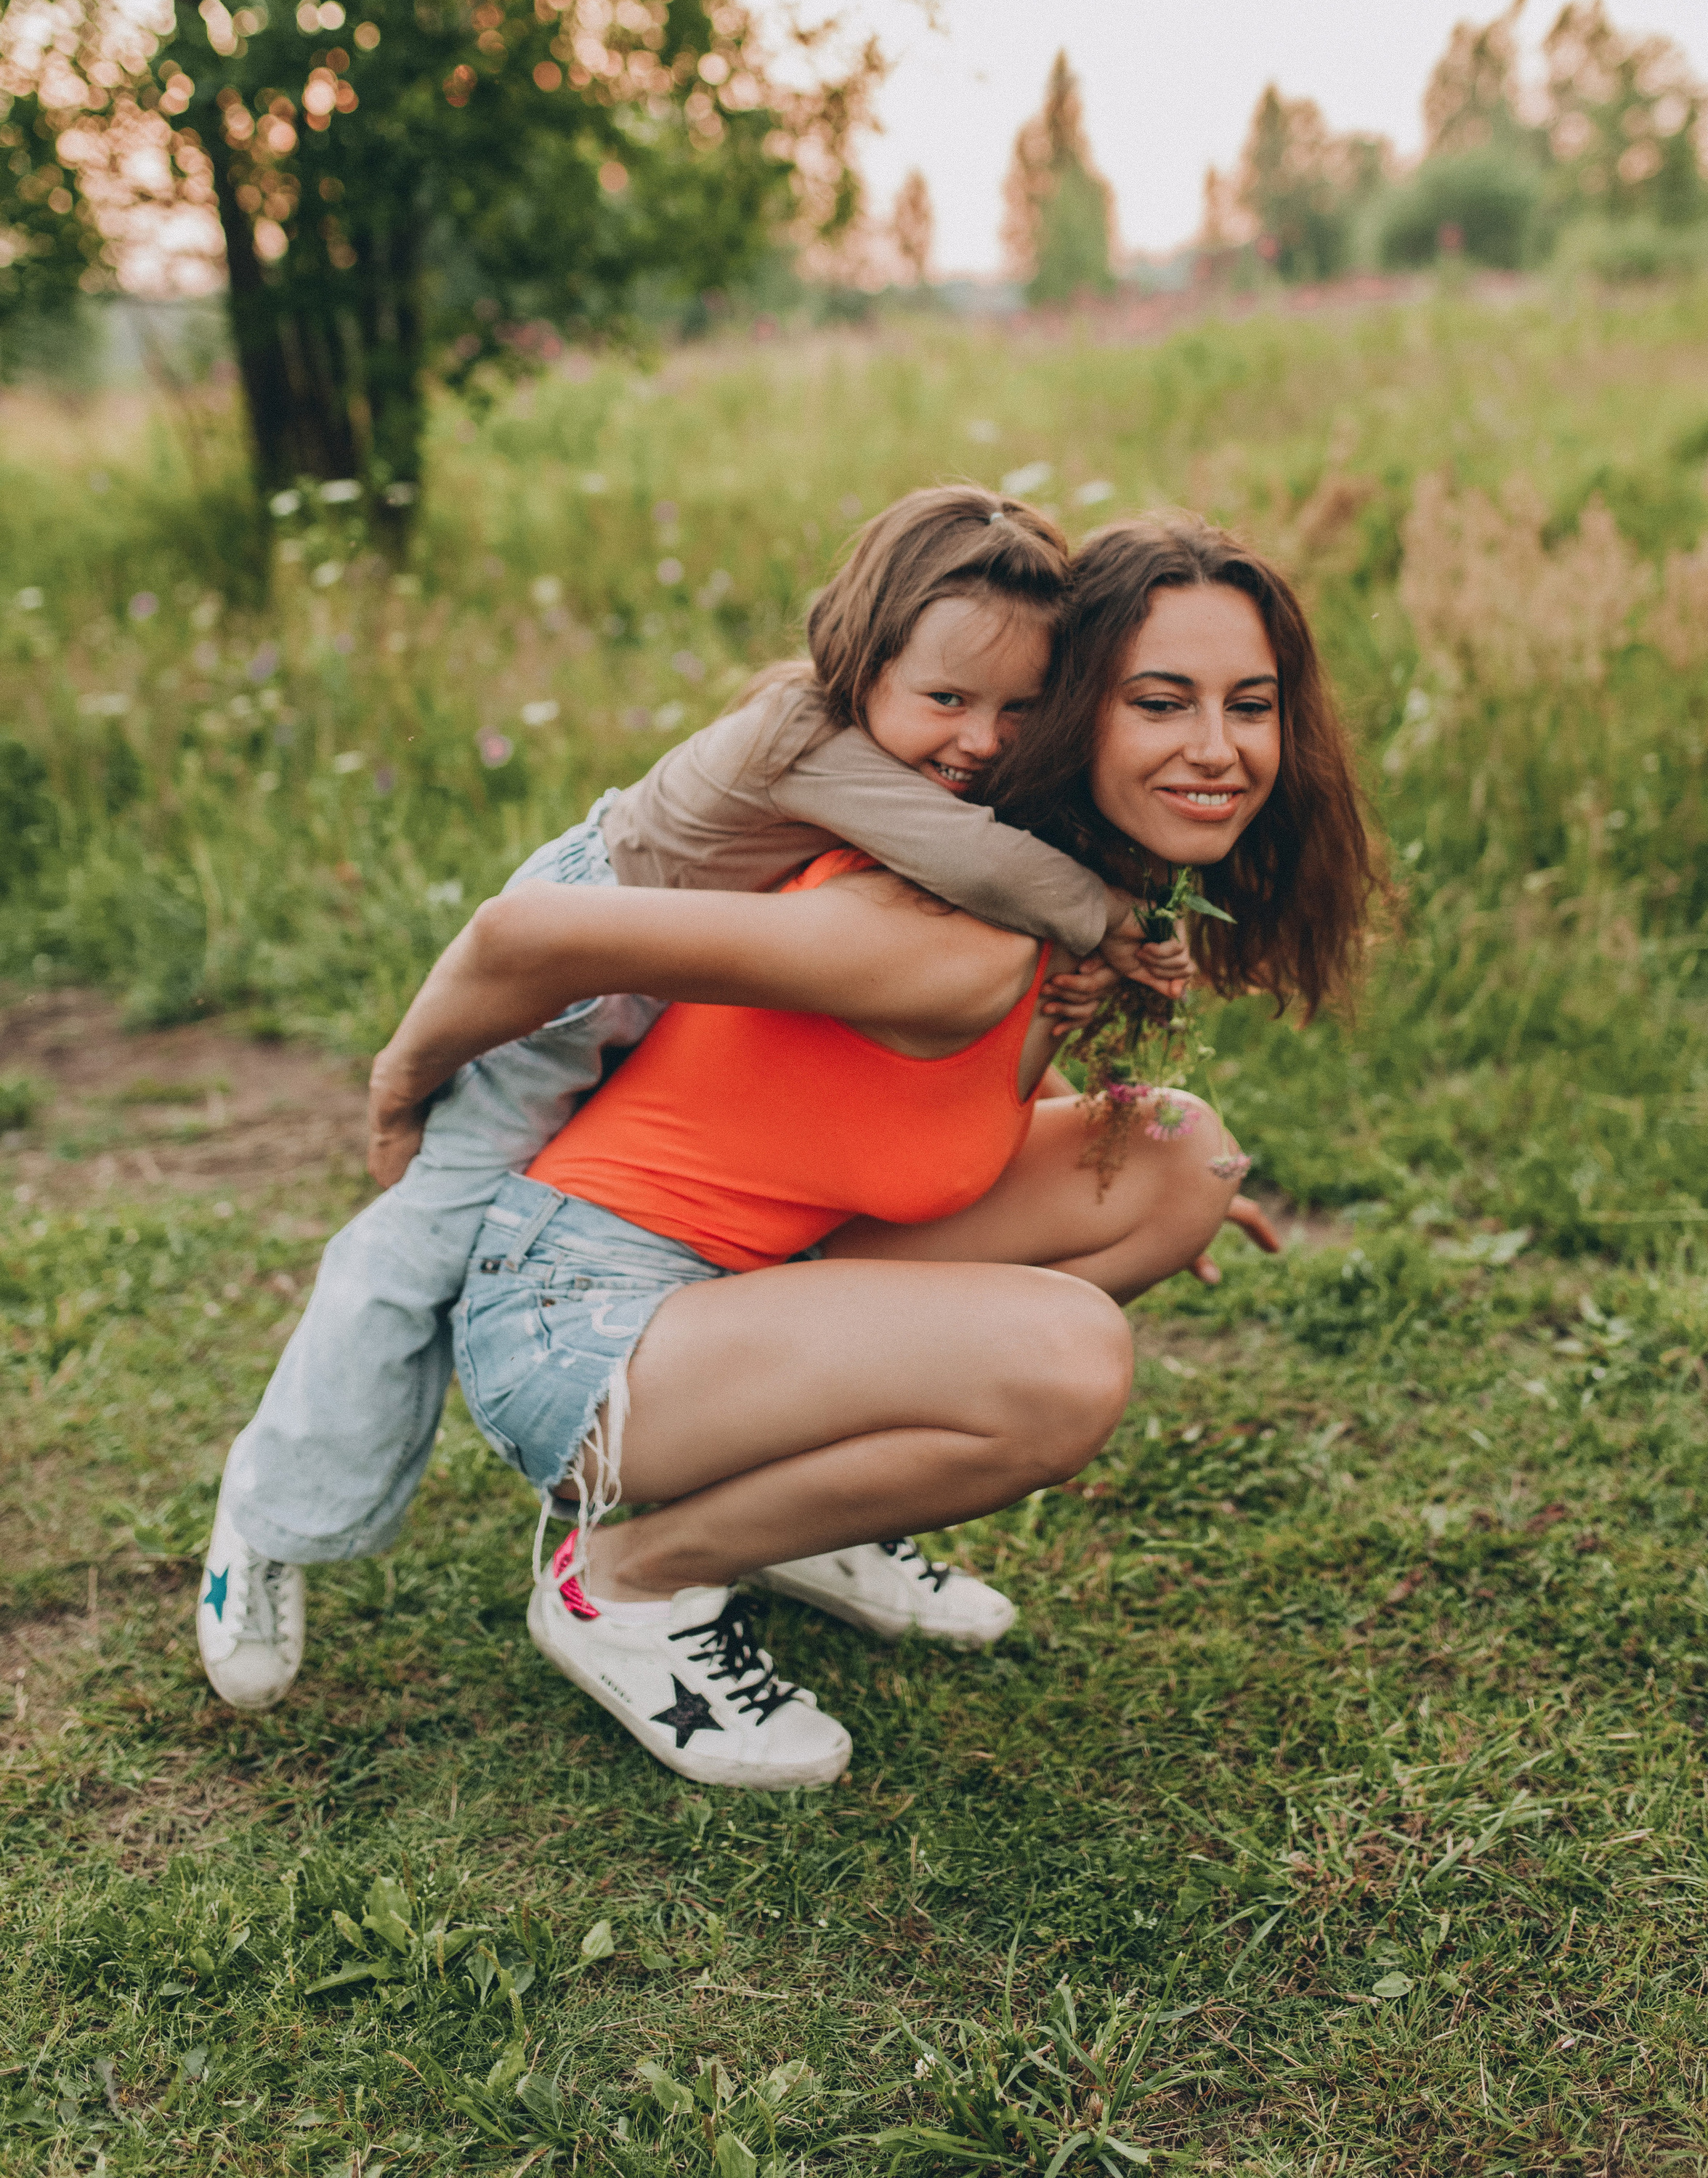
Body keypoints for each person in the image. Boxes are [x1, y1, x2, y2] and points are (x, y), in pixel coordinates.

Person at [351, 514, 1377, 1789]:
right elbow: (528, 938)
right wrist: (400, 1088)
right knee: (1062, 1359)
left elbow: (910, 1110)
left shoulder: (1026, 891)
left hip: (730, 1279)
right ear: (1068, 710)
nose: (1217, 750)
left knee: (1172, 1153)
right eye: (1161, 703)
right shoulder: (937, 929)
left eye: (1252, 705)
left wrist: (1114, 1128)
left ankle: (809, 1500)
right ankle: (626, 1579)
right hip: (578, 1337)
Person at [198, 487, 1191, 1709]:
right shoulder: (801, 732)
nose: (983, 740)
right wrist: (403, 1079)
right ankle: (266, 1524)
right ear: (858, 657)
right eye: (948, 700)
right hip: (578, 976)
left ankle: (802, 1471)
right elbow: (978, 862)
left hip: (657, 979)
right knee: (414, 1247)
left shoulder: (896, 752)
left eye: (1020, 708)